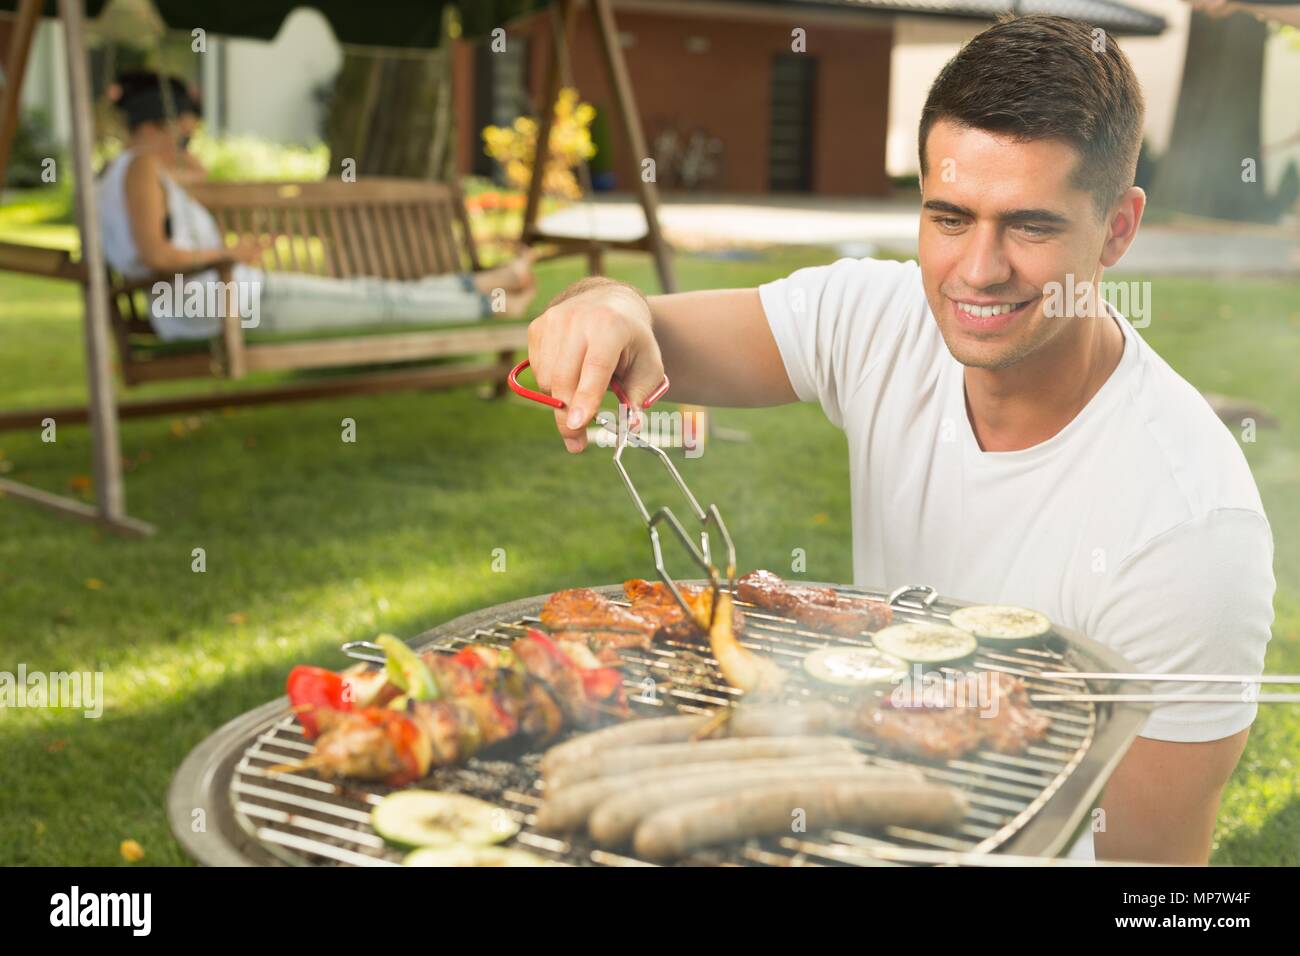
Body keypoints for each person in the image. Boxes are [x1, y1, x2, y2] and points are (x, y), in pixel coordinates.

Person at [524, 15, 1275, 864]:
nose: (979, 270)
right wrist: (604, 308)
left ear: (1118, 229)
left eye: (1029, 226)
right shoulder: (877, 318)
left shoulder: (1189, 531)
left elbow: (1152, 885)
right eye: (949, 217)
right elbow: (642, 326)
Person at [98, 71, 537, 341]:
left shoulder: (122, 172)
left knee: (375, 294)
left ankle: (490, 285)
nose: (186, 150)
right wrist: (230, 254)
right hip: (219, 302)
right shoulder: (140, 170)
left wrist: (179, 154)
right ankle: (496, 301)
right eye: (184, 137)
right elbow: (156, 255)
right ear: (156, 128)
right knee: (379, 303)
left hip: (215, 299)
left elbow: (196, 176)